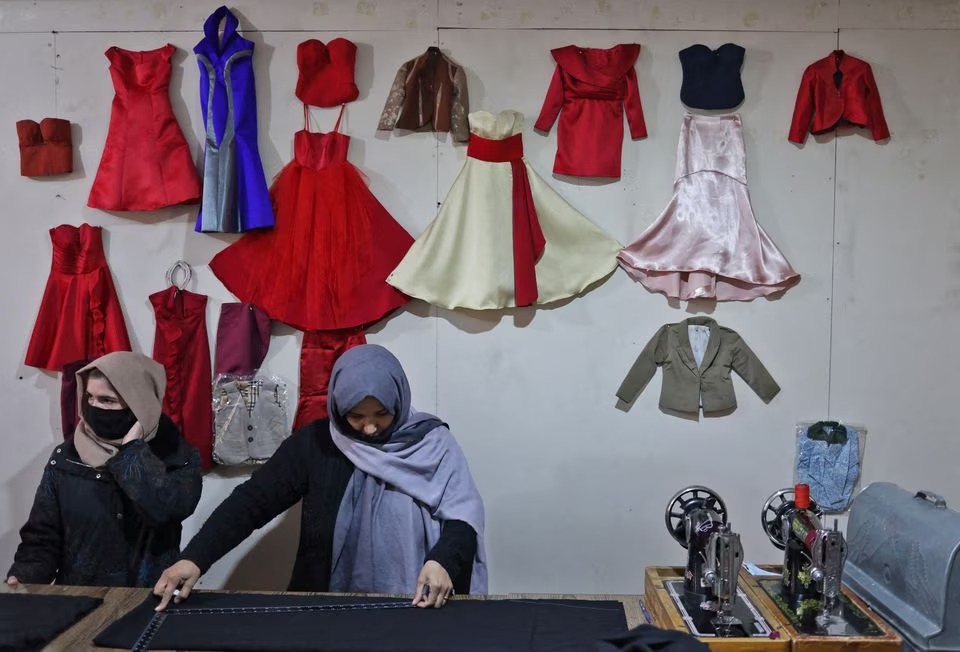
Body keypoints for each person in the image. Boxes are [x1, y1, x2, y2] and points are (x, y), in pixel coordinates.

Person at [154, 344, 486, 610]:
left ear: (399, 398)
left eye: (382, 414)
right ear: (338, 408)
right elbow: (252, 502)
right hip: (326, 605)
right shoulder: (316, 444)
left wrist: (443, 561)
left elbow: (463, 516)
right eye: (355, 416)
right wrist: (194, 557)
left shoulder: (432, 443)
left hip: (418, 604)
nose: (369, 428)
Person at [6, 351, 202, 587]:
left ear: (138, 404)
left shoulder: (178, 456)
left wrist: (132, 451)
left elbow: (164, 511)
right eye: (89, 397)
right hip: (77, 601)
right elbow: (42, 537)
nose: (93, 407)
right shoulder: (67, 457)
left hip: (148, 601)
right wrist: (24, 579)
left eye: (107, 400)